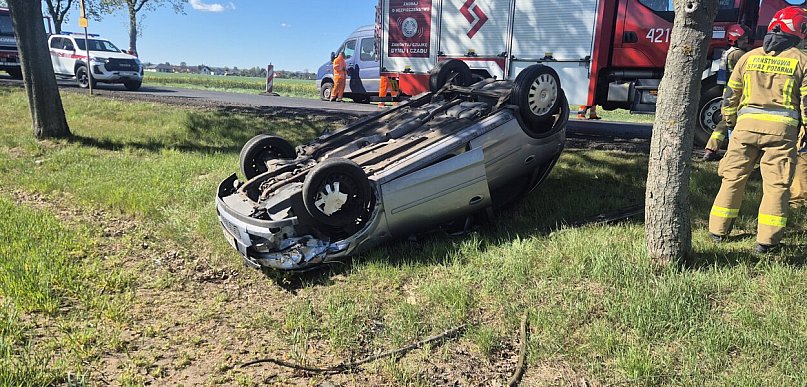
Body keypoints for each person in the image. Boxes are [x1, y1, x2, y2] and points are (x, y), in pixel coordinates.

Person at [708, 6, 807, 253]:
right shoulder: (802, 61)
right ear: (798, 31)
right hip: (782, 135)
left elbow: (729, 97)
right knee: (776, 185)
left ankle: (717, 231)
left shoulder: (747, 57)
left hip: (744, 130)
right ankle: (767, 242)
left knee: (732, 178)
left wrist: (731, 123)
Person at [703, 24, 753, 161]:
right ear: (734, 39)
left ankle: (711, 149)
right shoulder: (738, 54)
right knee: (733, 122)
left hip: (728, 91)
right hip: (738, 93)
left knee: (725, 121)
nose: (746, 41)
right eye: (743, 39)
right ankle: (730, 152)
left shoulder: (727, 52)